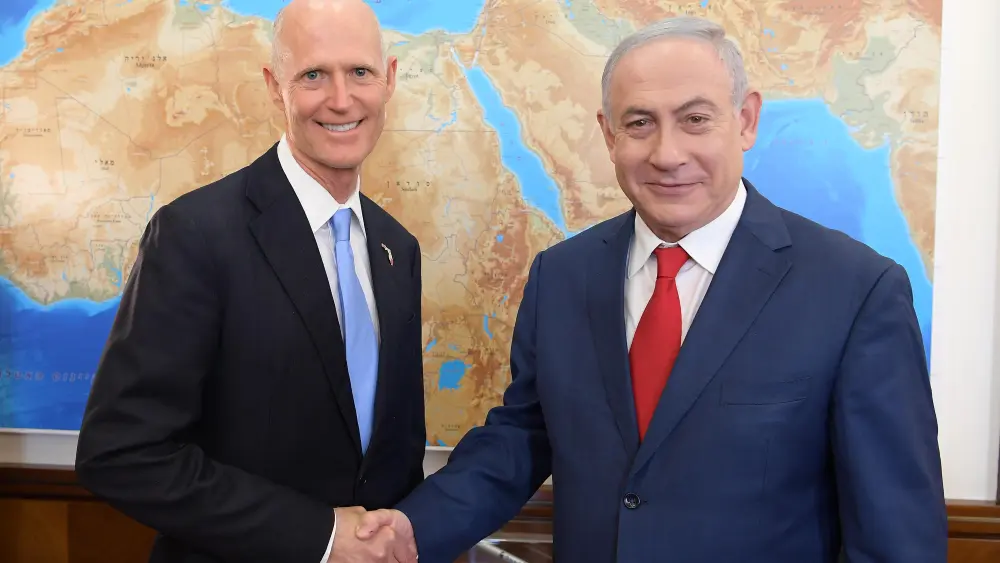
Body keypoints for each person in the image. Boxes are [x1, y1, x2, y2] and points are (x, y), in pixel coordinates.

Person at [356, 15, 948, 563]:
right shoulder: (561, 277)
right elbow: (524, 436)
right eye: (640, 123)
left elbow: (897, 535)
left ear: (745, 120)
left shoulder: (856, 292)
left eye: (695, 119)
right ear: (608, 135)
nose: (668, 154)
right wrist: (416, 527)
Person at [74, 0, 422, 561]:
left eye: (360, 71)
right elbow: (122, 453)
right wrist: (323, 537)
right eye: (313, 75)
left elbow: (391, 456)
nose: (341, 99)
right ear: (274, 88)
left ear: (390, 81)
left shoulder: (396, 249)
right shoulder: (194, 235)